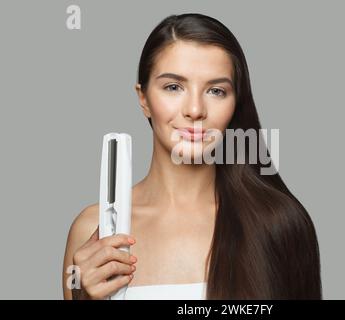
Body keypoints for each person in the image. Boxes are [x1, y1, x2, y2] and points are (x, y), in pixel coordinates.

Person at [62, 13, 322, 300]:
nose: (195, 109)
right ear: (144, 98)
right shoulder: (92, 230)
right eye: (173, 87)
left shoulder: (280, 223)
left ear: (236, 103)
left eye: (216, 91)